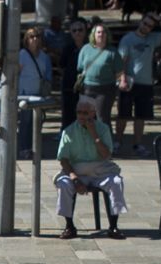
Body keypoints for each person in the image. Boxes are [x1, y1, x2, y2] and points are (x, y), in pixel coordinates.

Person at [53, 95, 127, 236]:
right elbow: (63, 159)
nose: (81, 116)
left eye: (85, 113)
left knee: (116, 182)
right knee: (63, 184)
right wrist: (74, 178)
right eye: (79, 112)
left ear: (93, 113)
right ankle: (69, 226)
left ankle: (113, 226)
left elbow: (106, 155)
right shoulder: (68, 131)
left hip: (101, 169)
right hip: (77, 170)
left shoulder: (103, 129)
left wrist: (94, 134)